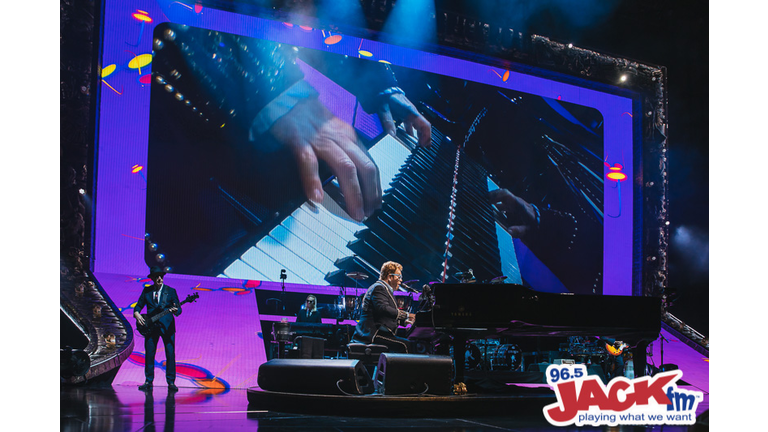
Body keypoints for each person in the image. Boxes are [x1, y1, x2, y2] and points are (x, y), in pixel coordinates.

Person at [134, 266, 182, 391]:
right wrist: (137, 314)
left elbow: (179, 309)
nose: (159, 278)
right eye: (157, 276)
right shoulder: (147, 291)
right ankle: (148, 381)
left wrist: (176, 310)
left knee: (170, 354)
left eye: (161, 276)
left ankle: (171, 382)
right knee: (150, 354)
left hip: (167, 327)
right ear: (153, 278)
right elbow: (138, 306)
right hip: (151, 327)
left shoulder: (170, 291)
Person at [351, 261, 415, 353]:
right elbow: (383, 309)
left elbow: (383, 317)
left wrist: (404, 322)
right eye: (399, 276)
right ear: (389, 277)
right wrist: (407, 315)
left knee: (405, 343)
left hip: (374, 332)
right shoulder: (379, 288)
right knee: (406, 345)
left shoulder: (383, 289)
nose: (401, 280)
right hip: (371, 334)